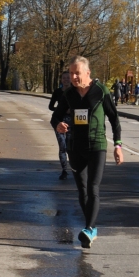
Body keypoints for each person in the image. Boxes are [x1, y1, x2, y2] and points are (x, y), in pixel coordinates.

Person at [51, 56, 123, 249]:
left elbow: (114, 119)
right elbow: (55, 116)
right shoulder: (69, 94)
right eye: (71, 73)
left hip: (97, 146)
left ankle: (89, 228)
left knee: (93, 188)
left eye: (77, 73)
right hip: (75, 147)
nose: (73, 77)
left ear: (87, 73)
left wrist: (118, 145)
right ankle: (90, 228)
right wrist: (58, 124)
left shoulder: (100, 91)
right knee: (82, 190)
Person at [48, 71, 73, 180]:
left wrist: (71, 111)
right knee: (62, 146)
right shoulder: (57, 92)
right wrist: (60, 110)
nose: (66, 80)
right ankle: (64, 170)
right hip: (59, 121)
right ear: (61, 80)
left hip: (71, 122)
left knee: (70, 146)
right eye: (64, 78)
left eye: (68, 78)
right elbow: (51, 106)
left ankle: (75, 169)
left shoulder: (75, 91)